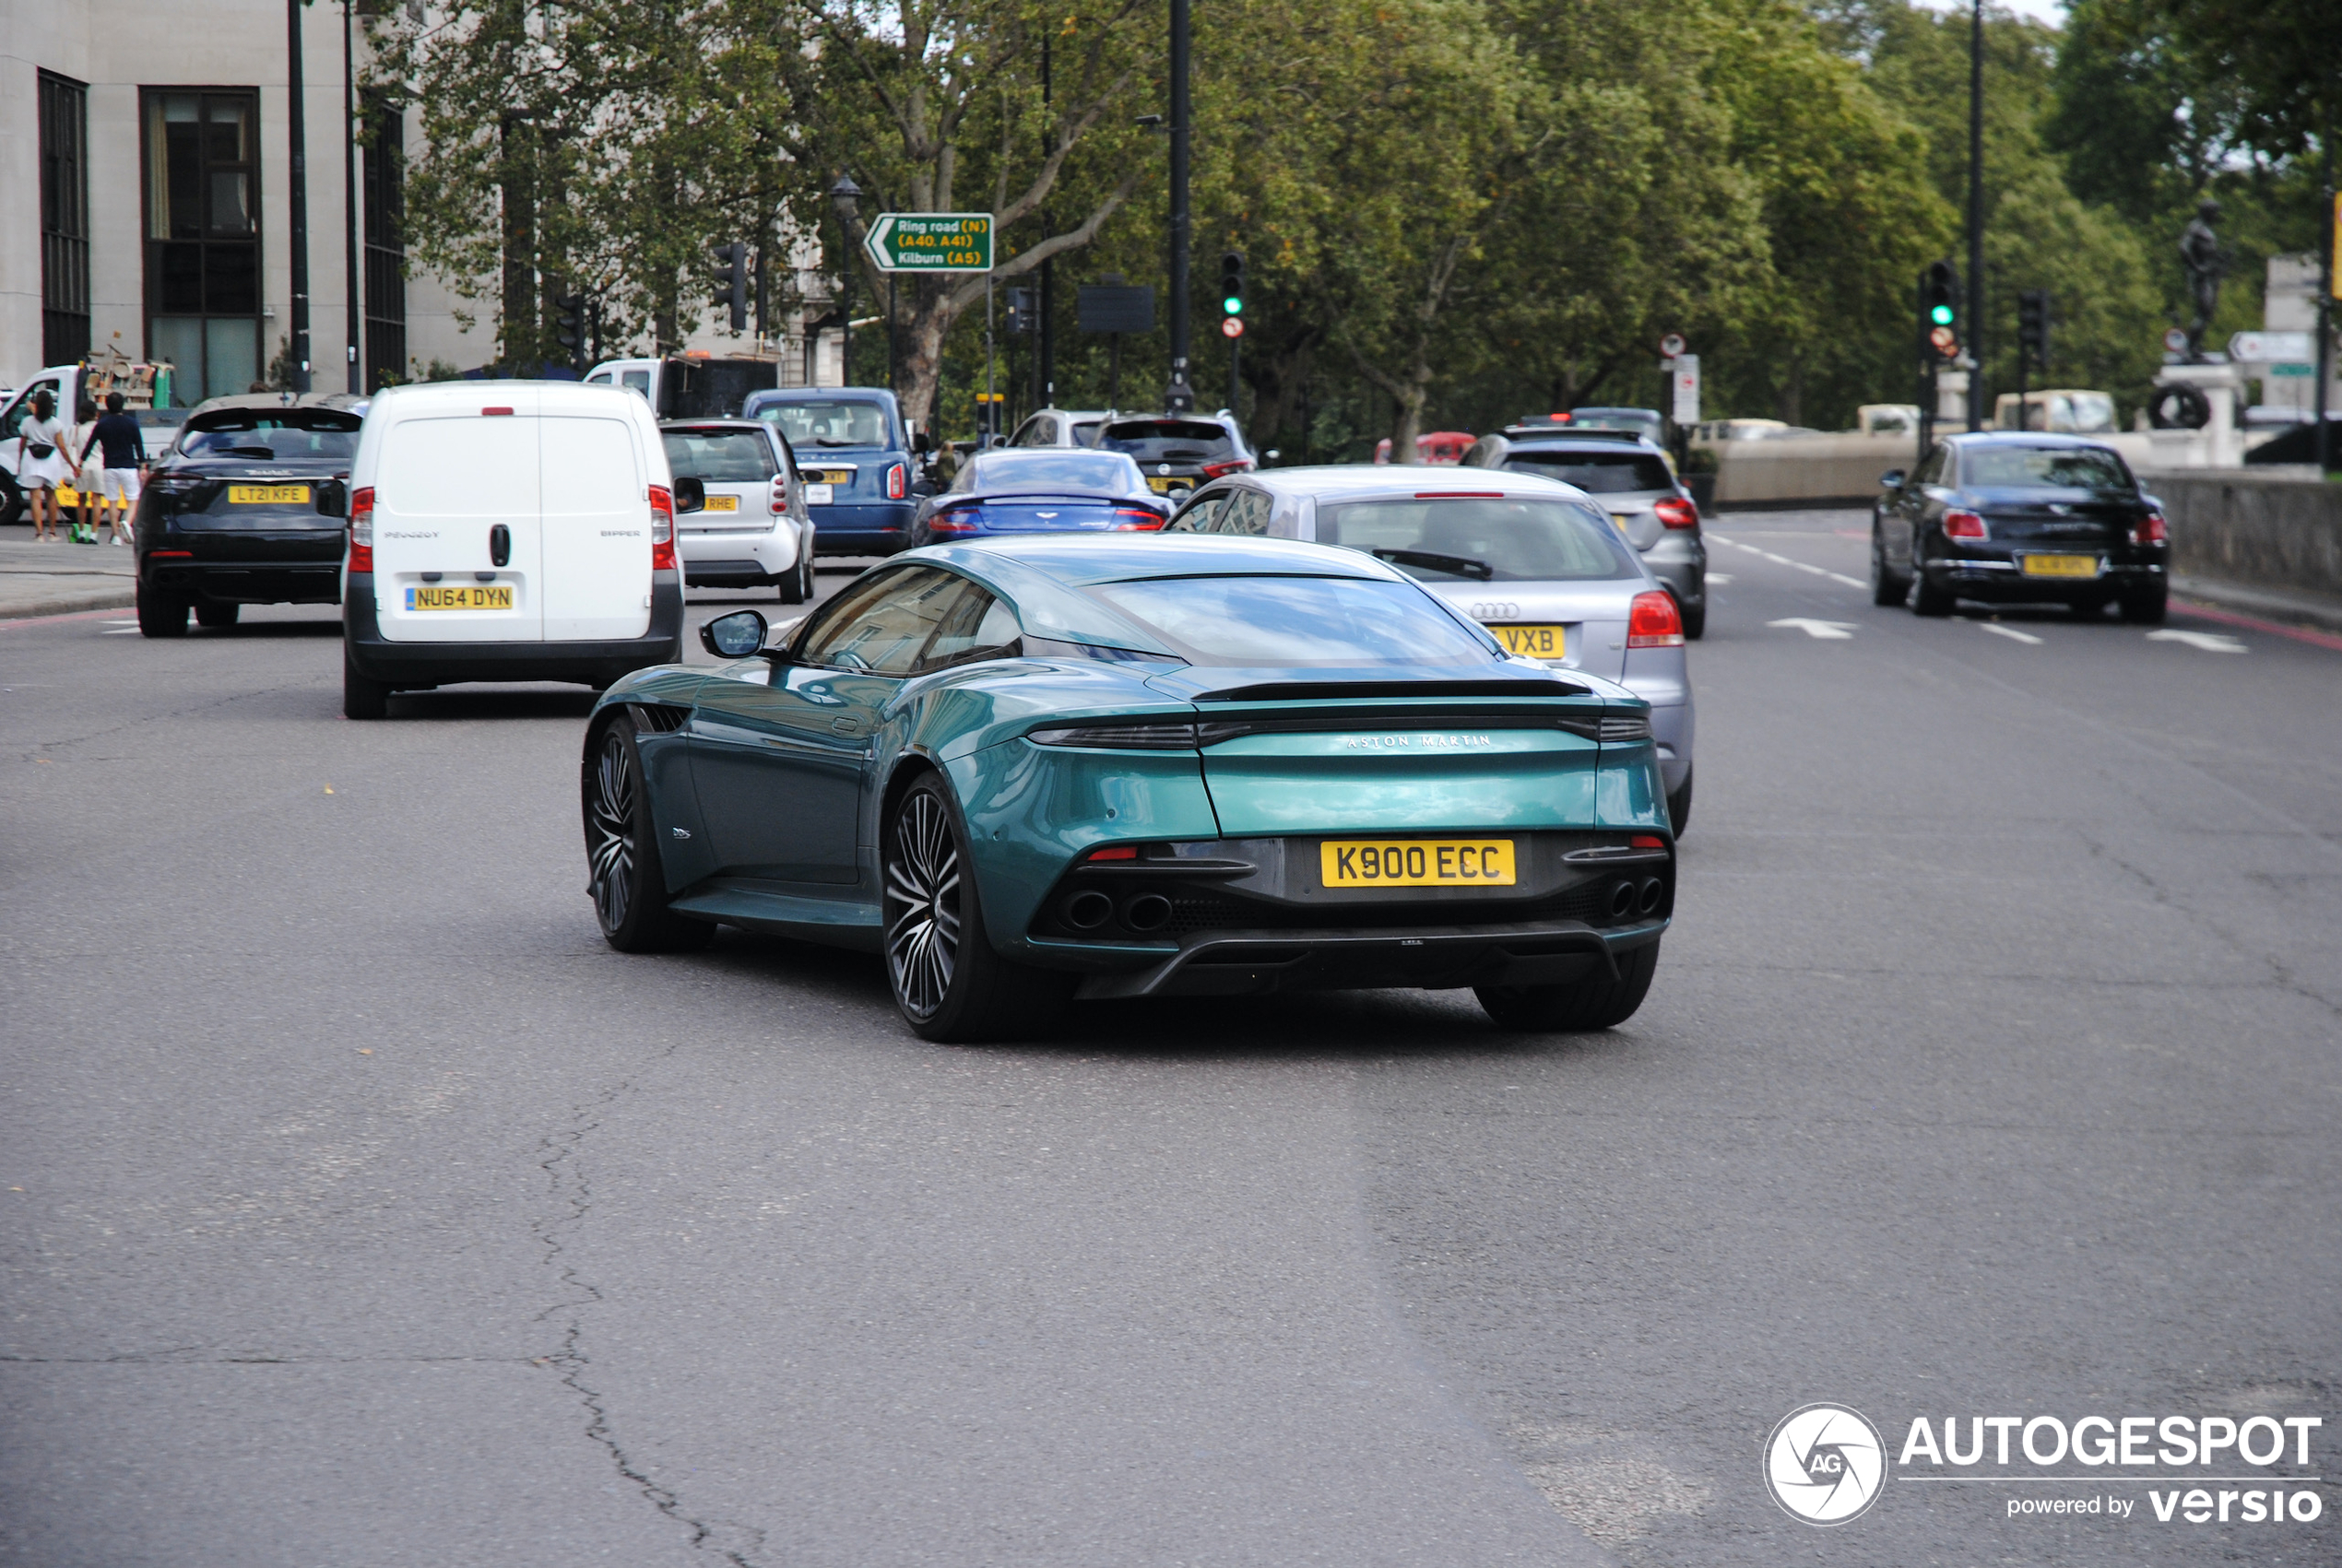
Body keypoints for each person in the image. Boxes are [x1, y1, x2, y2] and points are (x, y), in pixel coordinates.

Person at [80, 392, 148, 547]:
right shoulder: (131, 423)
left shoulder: (102, 424)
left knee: (112, 501)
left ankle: (116, 535)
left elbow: (90, 445)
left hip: (109, 467)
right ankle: (127, 522)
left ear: (107, 406)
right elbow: (139, 445)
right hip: (128, 467)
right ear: (122, 405)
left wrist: (81, 461)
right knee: (133, 499)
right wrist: (143, 464)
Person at [13, 387, 71, 542]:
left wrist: (19, 462)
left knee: (35, 497)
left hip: (31, 458)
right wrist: (72, 465)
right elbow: (62, 447)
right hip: (50, 459)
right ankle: (52, 532)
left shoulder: (27, 422)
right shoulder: (56, 423)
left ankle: (39, 533)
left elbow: (22, 444)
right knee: (51, 496)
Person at [67, 397, 101, 542]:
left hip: (82, 466)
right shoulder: (100, 427)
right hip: (99, 465)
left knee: (81, 500)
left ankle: (81, 532)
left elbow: (72, 448)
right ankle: (93, 534)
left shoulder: (77, 429)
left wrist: (74, 467)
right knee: (97, 500)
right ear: (96, 413)